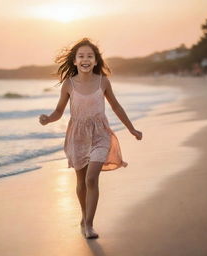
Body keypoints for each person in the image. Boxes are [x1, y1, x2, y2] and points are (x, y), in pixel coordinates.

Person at [39, 38, 142, 239]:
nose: (85, 59)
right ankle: (84, 213)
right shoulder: (68, 84)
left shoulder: (103, 81)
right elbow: (59, 111)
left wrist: (132, 129)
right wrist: (48, 119)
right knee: (81, 182)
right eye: (81, 56)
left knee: (91, 178)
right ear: (75, 61)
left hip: (100, 133)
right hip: (77, 135)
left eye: (89, 56)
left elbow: (116, 106)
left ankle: (89, 225)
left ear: (96, 61)